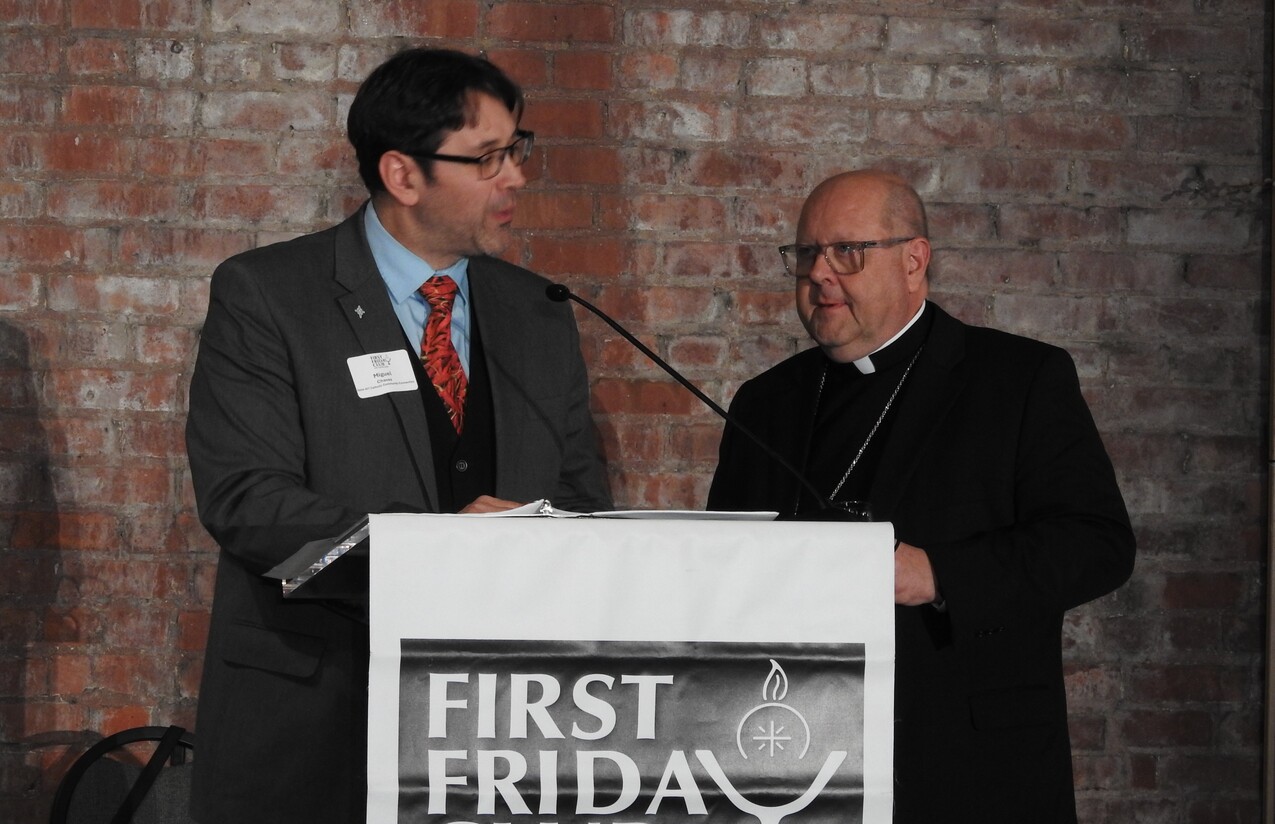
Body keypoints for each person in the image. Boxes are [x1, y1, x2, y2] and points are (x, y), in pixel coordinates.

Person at [184, 48, 612, 824]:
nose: (514, 177)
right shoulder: (268, 295)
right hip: (319, 718)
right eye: (487, 158)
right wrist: (436, 545)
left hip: (504, 729)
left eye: (517, 149)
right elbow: (247, 500)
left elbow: (581, 497)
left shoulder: (539, 312)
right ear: (403, 175)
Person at [708, 169, 1135, 823]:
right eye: (806, 254)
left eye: (847, 251)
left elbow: (1097, 544)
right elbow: (722, 572)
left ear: (913, 261)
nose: (819, 273)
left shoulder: (1016, 381)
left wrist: (934, 573)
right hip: (795, 760)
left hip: (964, 765)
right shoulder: (764, 404)